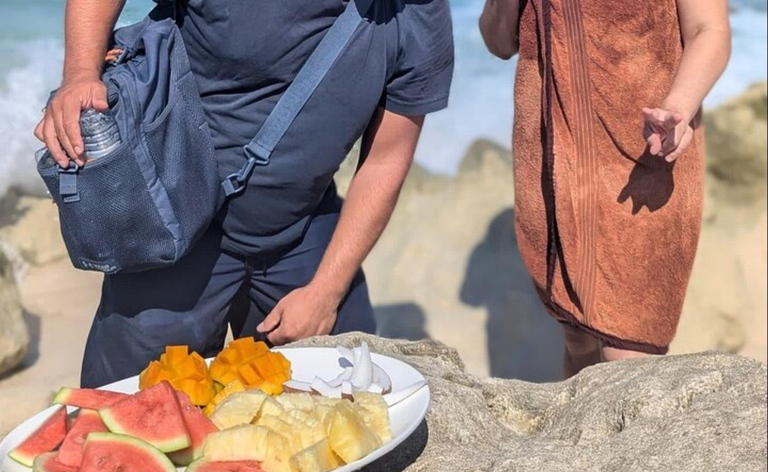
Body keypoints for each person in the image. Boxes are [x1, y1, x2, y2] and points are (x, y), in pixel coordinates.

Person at [36, 0, 454, 388]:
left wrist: (326, 291)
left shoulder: (420, 14)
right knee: (119, 420)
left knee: (360, 396)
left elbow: (384, 161)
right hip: (176, 224)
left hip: (298, 226)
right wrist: (79, 76)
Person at [479, 0, 730, 376]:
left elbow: (709, 30)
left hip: (647, 151)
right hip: (554, 156)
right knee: (576, 333)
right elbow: (498, 41)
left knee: (628, 357)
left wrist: (679, 104)